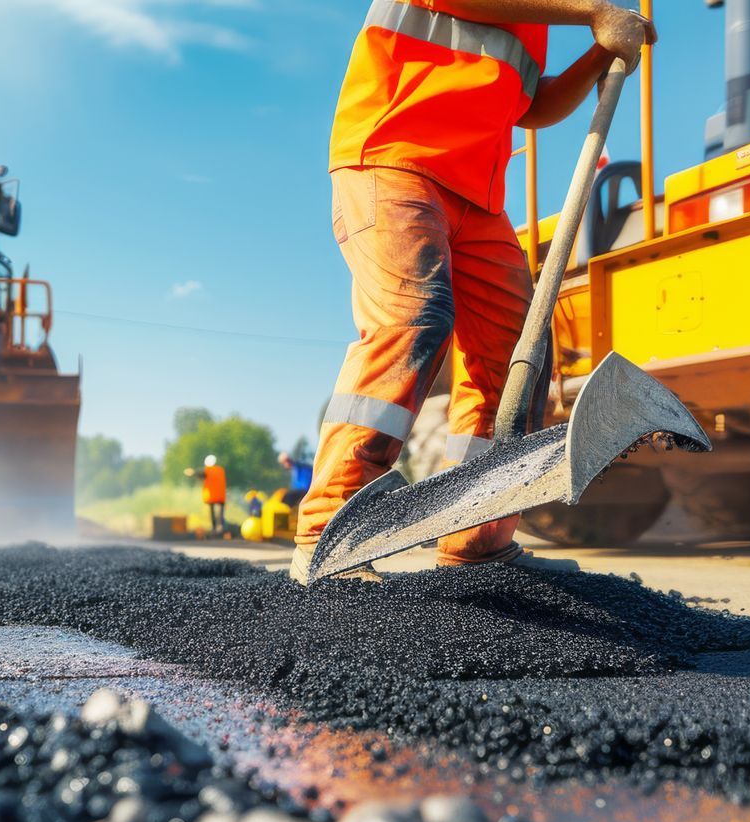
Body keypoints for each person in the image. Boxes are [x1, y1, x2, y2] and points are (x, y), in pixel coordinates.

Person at [290, 0, 654, 583]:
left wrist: (600, 53)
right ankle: (327, 537)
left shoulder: (533, 21)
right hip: (395, 161)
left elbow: (533, 109)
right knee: (413, 322)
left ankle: (476, 544)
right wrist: (592, 14)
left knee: (517, 362)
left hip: (478, 202)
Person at [200, 454, 228, 532]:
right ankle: (222, 528)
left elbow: (200, 474)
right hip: (221, 496)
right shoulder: (221, 470)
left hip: (212, 496)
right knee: (221, 514)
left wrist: (192, 473)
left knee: (213, 514)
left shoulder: (208, 470)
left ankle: (214, 528)